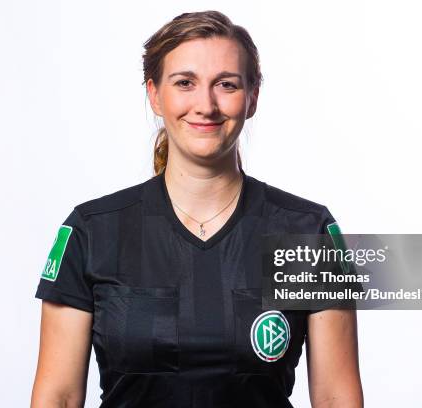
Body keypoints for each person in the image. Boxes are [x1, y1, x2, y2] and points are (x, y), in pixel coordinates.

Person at [31, 10, 363, 408]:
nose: (205, 104)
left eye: (226, 84)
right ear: (154, 94)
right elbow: (59, 397)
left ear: (253, 96)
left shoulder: (307, 232)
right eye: (185, 83)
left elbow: (335, 398)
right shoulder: (93, 231)